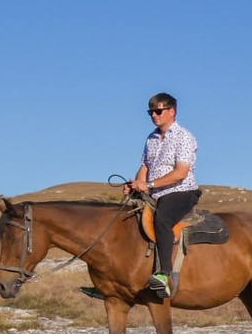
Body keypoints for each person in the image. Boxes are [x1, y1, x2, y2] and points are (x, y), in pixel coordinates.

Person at [81, 92, 200, 301]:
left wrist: (149, 185)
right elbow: (145, 166)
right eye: (150, 112)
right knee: (123, 221)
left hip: (181, 191)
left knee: (162, 220)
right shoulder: (151, 138)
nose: (154, 115)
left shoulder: (184, 137)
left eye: (158, 111)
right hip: (154, 193)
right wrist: (136, 185)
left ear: (172, 111)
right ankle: (111, 283)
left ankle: (164, 275)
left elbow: (181, 172)